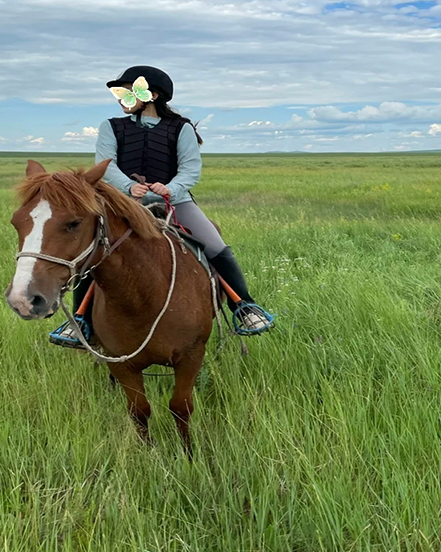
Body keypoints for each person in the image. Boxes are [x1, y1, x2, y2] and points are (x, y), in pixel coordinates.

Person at [50, 65, 274, 348]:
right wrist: (129, 187)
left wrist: (171, 189)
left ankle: (244, 306)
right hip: (123, 203)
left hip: (175, 201)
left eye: (127, 92)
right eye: (119, 93)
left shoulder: (181, 128)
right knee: (93, 249)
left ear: (152, 94)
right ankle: (80, 320)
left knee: (214, 245)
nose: (121, 99)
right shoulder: (111, 127)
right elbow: (106, 165)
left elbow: (190, 168)